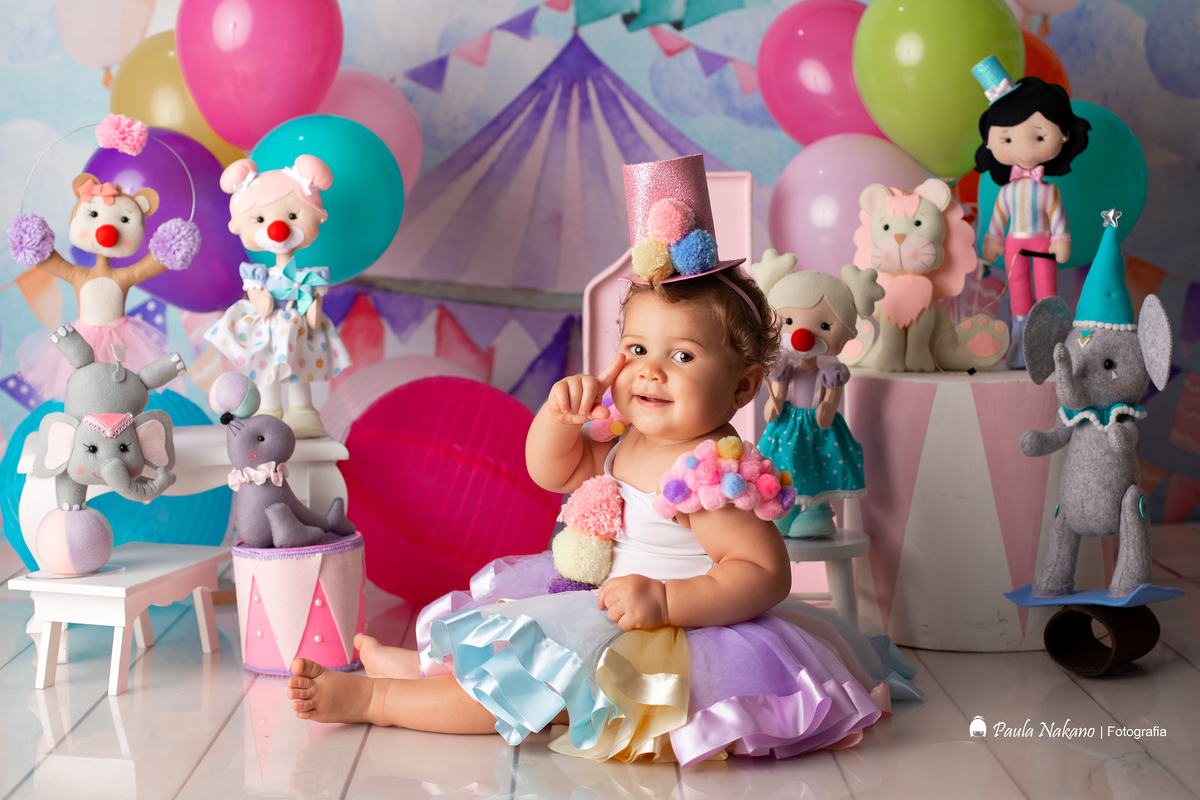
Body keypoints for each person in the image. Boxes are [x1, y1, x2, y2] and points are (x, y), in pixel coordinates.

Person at [285, 156, 919, 767]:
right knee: (512, 650)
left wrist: (666, 600)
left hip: (666, 633)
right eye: (637, 349)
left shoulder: (710, 473)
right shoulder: (625, 437)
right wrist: (556, 418)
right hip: (596, 604)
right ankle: (411, 668)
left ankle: (377, 701)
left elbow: (762, 573)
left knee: (524, 691)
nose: (650, 370)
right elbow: (551, 472)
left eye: (682, 356)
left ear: (743, 386)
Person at [204, 155, 350, 438]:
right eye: (260, 219)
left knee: (298, 370)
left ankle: (303, 411)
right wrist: (261, 299)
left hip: (298, 326)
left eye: (292, 216)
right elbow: (258, 296)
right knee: (267, 370)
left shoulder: (309, 276)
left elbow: (312, 299)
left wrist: (313, 309)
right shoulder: (258, 274)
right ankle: (268, 412)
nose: (278, 229)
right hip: (268, 326)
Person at [753, 250, 883, 538]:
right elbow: (773, 408)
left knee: (816, 467)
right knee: (785, 466)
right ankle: (787, 507)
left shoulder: (830, 374)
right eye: (788, 321)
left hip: (819, 430)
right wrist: (776, 396)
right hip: (788, 428)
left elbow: (828, 407)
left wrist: (827, 406)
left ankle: (818, 511)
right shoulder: (784, 371)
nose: (803, 336)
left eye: (825, 326)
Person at [972, 56, 1091, 368]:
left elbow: (1057, 218)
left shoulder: (1049, 191)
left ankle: (1050, 341)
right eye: (1007, 139)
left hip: (1042, 244)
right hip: (1014, 245)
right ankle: (1021, 340)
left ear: (1063, 135)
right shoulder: (1006, 192)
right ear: (990, 143)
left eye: (1039, 137)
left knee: (1048, 290)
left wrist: (1061, 240)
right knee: (1019, 291)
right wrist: (993, 240)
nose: (1024, 149)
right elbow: (998, 219)